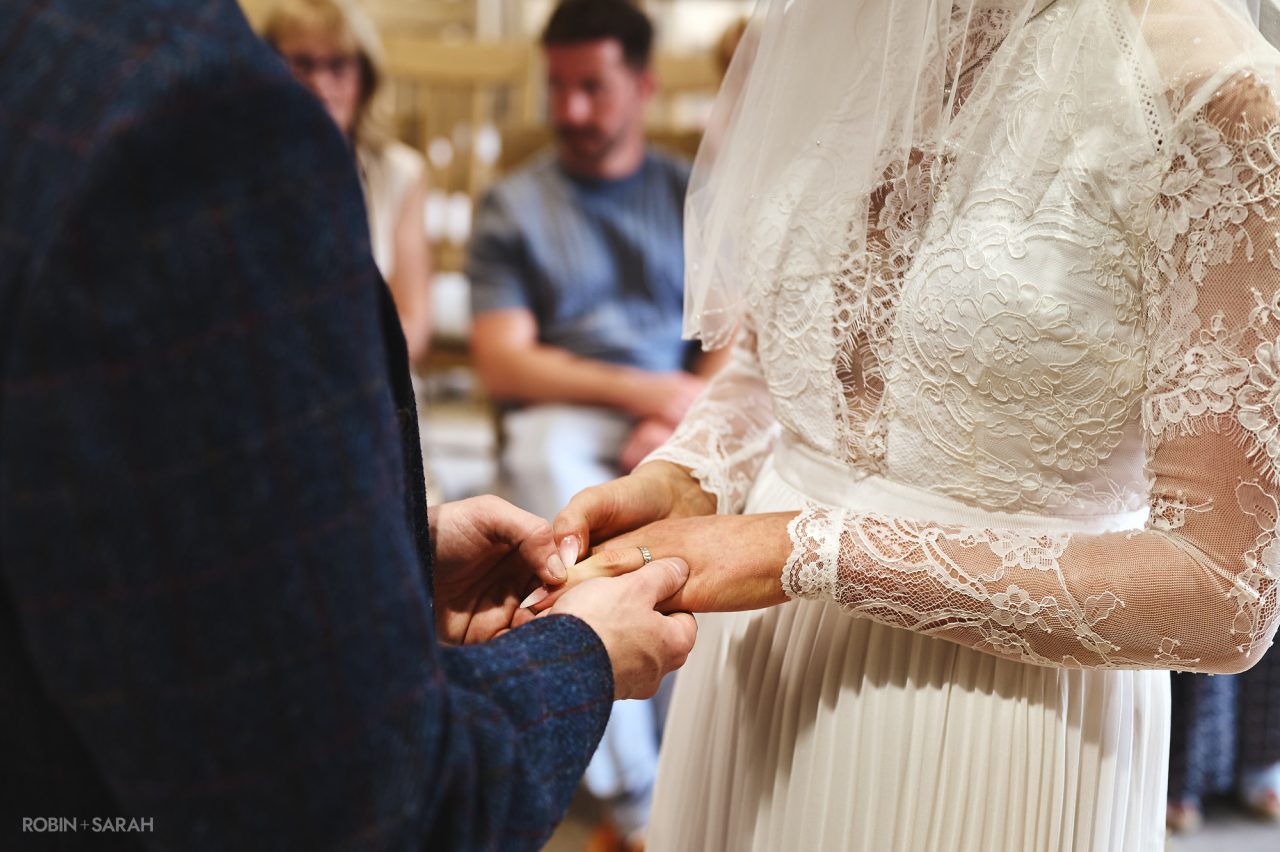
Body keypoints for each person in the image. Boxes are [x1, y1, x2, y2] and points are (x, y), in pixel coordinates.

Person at [535, 1, 1280, 849]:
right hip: (756, 667)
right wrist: (683, 476)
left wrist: (806, 552)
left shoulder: (1210, 92)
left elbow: (1224, 593)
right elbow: (787, 352)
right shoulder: (831, 30)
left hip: (988, 711)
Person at [0, 1, 696, 850]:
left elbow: (117, 505)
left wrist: (393, 555)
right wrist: (582, 654)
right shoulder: (208, 120)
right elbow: (365, 806)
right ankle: (635, 807)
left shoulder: (50, 50)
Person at [465, 1, 724, 846]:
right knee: (556, 477)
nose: (571, 111)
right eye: (559, 88)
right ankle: (639, 802)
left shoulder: (693, 195)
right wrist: (645, 392)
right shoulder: (512, 203)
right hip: (568, 409)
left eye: (593, 87)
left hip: (679, 420)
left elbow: (734, 340)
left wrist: (680, 428)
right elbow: (505, 360)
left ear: (643, 85)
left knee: (706, 515)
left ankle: (689, 781)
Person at [262, 0, 433, 368]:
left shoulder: (399, 173)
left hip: (369, 377)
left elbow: (414, 327)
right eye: (301, 64)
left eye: (338, 65)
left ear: (365, 77)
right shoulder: (242, 171)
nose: (319, 84)